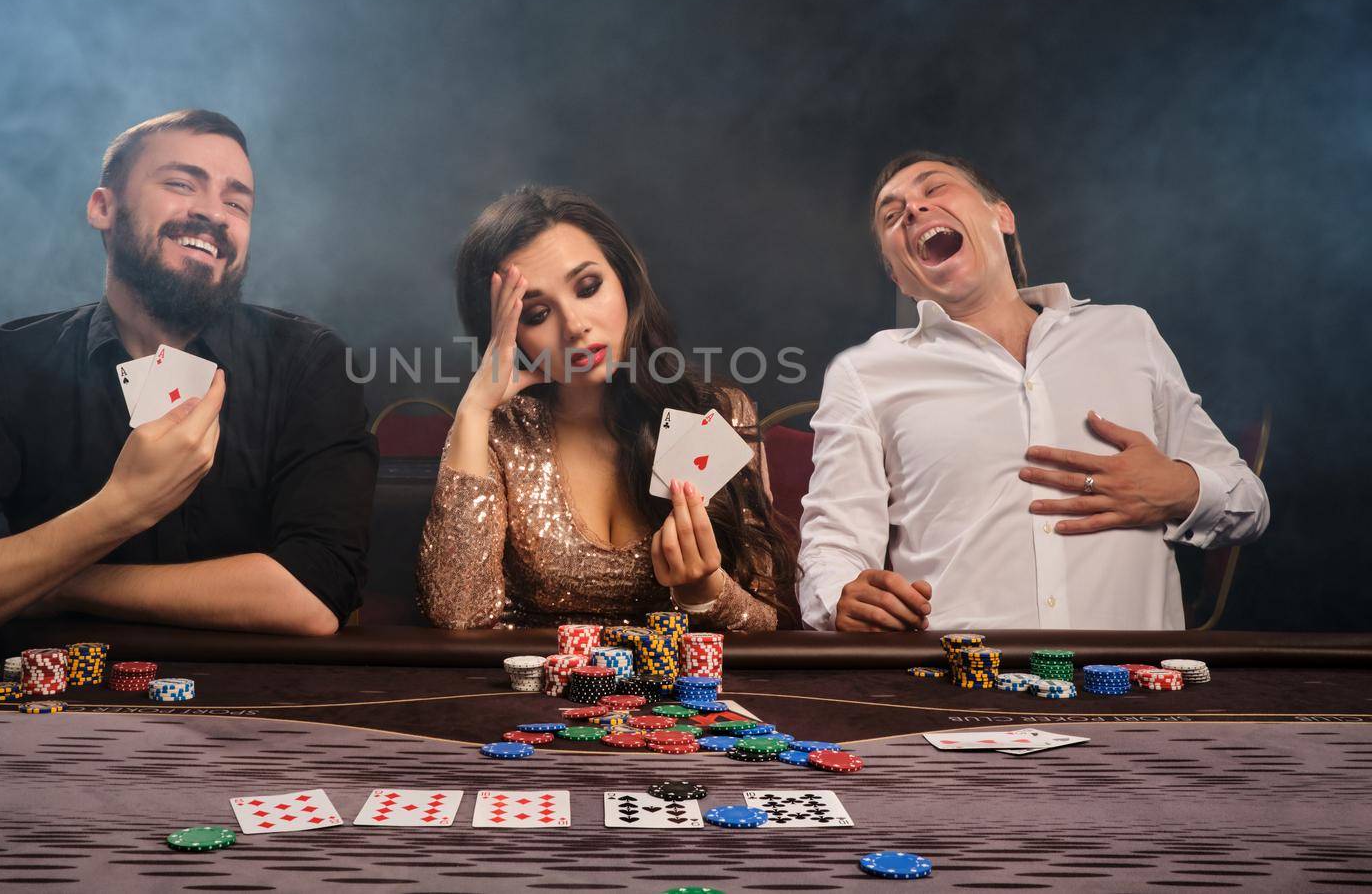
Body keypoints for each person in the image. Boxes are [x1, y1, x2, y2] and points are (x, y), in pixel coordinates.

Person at [0, 109, 377, 666]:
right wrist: (118, 509)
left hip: (262, 718)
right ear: (103, 207)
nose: (212, 213)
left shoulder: (308, 363)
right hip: (55, 723)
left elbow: (314, 595)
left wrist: (61, 584)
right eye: (181, 184)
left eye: (237, 203)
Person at [798, 152, 1269, 632]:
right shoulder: (866, 371)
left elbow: (1249, 502)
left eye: (934, 189)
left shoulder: (1127, 332)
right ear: (899, 277)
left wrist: (1177, 488)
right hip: (954, 692)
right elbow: (833, 543)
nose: (913, 210)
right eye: (892, 215)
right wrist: (839, 597)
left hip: (1134, 690)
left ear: (1001, 215)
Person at [417, 187, 797, 631]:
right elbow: (456, 613)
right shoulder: (496, 428)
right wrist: (473, 408)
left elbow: (766, 622)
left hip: (674, 694)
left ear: (625, 282)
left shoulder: (715, 413)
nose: (576, 326)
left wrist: (704, 593)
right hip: (525, 692)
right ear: (508, 334)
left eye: (588, 287)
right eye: (537, 314)